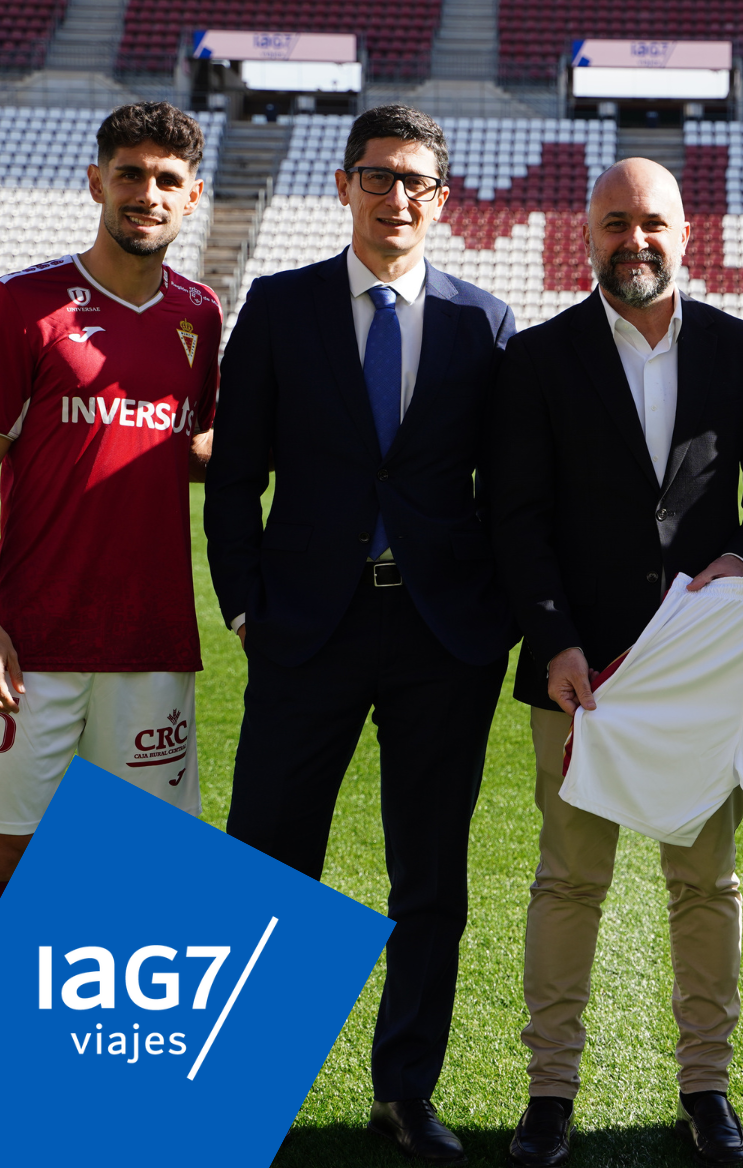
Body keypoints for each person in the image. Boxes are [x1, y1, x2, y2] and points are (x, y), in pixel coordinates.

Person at [203, 105, 516, 1164]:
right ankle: (243, 1087)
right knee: (266, 862)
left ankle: (405, 1092)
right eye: (377, 175)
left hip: (440, 637)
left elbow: (506, 490)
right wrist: (242, 601)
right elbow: (234, 476)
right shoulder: (280, 306)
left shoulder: (484, 321)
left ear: (441, 199)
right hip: (304, 628)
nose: (396, 197)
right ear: (344, 186)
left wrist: (493, 614)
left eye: (416, 181)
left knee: (429, 877)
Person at [489, 158, 743, 1168]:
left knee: (704, 883)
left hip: (701, 673)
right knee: (568, 881)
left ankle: (707, 1088)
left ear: (685, 232)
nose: (635, 240)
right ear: (586, 234)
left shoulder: (739, 348)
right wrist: (553, 640)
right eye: (616, 222)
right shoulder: (538, 357)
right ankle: (548, 1094)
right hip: (578, 670)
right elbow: (515, 516)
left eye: (652, 222)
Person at [0, 101, 217, 980]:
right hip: (30, 639)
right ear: (96, 182)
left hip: (152, 639)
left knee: (143, 866)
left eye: (168, 180)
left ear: (193, 197)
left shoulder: (201, 312)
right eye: (131, 174)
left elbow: (188, 446)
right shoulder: (21, 303)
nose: (148, 193)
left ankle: (92, 1044)